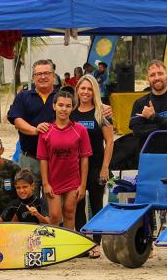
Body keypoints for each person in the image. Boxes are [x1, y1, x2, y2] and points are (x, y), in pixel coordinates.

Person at [72, 74, 114, 259]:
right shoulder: (71, 113)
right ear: (77, 90)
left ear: (94, 91)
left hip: (97, 166)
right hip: (75, 168)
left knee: (97, 204)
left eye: (89, 89)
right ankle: (82, 242)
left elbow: (110, 142)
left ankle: (96, 242)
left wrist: (105, 167)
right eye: (83, 88)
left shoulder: (101, 113)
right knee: (78, 204)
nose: (86, 92)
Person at [7, 59, 59, 211]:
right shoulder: (23, 96)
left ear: (54, 76)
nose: (43, 77)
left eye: (47, 73)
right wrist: (36, 130)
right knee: (28, 204)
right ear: (33, 77)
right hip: (29, 159)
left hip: (55, 160)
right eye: (39, 74)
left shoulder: (62, 96)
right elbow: (17, 121)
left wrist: (103, 107)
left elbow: (83, 105)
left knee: (52, 207)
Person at [39, 91, 92, 230]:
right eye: (60, 105)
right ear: (54, 106)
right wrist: (45, 184)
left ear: (72, 108)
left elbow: (84, 159)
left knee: (69, 213)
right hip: (54, 180)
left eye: (68, 106)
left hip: (73, 180)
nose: (64, 109)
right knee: (55, 216)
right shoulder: (46, 131)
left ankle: (67, 247)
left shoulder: (80, 130)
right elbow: (43, 159)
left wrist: (82, 185)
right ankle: (55, 246)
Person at [129, 60, 167, 154]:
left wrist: (153, 117)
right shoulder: (140, 103)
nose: (157, 78)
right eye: (152, 75)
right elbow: (137, 131)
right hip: (148, 157)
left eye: (160, 73)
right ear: (148, 79)